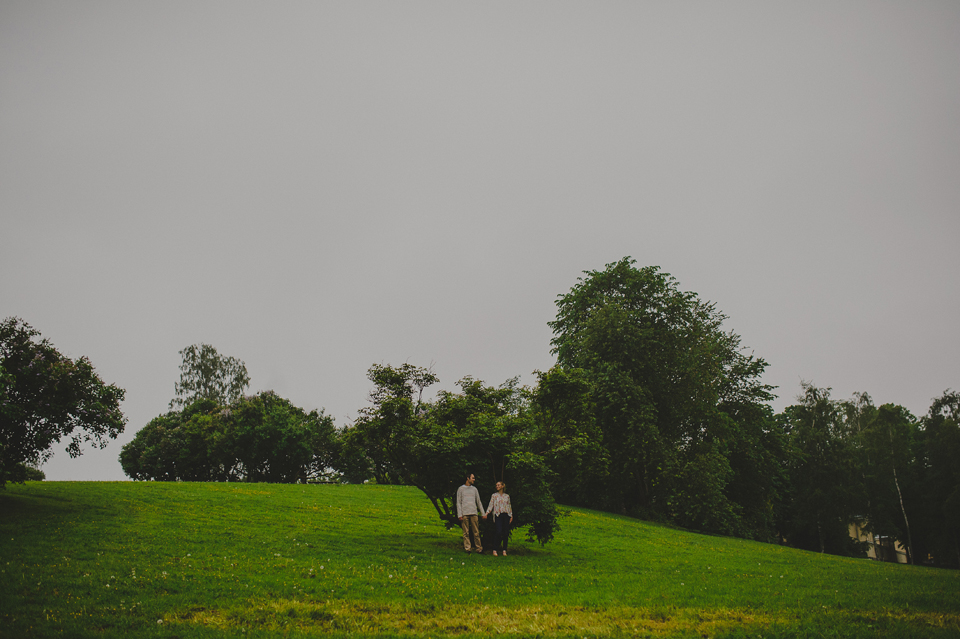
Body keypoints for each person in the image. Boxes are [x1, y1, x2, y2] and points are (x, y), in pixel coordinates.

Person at [456, 472, 486, 553]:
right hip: (465, 513)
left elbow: (478, 502)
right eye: (472, 478)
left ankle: (479, 548)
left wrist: (483, 513)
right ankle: (467, 548)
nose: (474, 479)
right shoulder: (461, 489)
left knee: (476, 532)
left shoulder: (474, 489)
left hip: (473, 512)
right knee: (466, 532)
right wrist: (460, 514)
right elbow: (458, 502)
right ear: (467, 478)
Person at [485, 480, 513, 556]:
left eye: (499, 485)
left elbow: (509, 506)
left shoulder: (507, 496)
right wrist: (487, 513)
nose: (497, 486)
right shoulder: (494, 495)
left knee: (506, 532)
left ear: (502, 486)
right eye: (496, 485)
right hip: (498, 515)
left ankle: (504, 550)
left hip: (506, 515)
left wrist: (511, 515)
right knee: (499, 531)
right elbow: (491, 505)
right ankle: (495, 549)